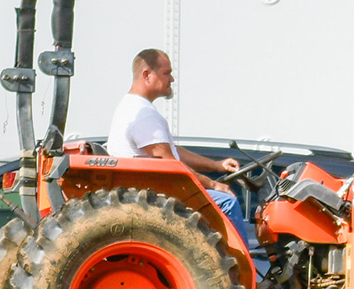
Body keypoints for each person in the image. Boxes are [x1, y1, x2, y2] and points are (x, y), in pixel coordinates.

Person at [106, 49, 255, 249]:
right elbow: (171, 164)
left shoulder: (133, 108)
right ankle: (246, 276)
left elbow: (171, 152)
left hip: (150, 191)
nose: (172, 79)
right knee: (227, 202)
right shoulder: (142, 114)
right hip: (156, 195)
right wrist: (213, 184)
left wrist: (217, 165)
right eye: (166, 73)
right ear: (147, 75)